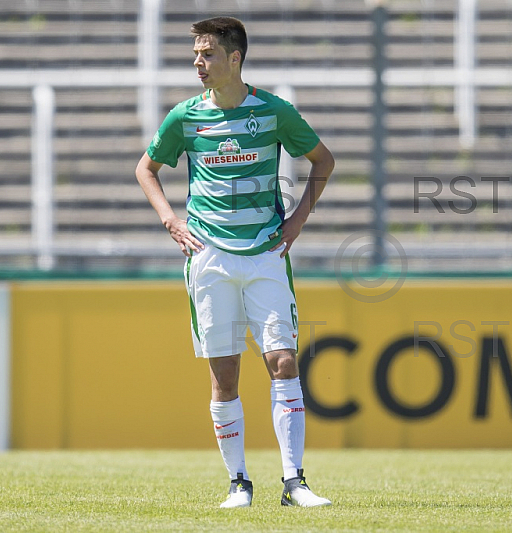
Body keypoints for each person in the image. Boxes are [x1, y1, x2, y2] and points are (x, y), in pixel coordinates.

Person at [135, 16, 334, 508]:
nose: (197, 63)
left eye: (207, 54)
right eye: (196, 54)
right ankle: (238, 483)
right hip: (210, 259)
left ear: (235, 59)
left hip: (266, 254)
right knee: (224, 375)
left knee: (283, 362)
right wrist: (171, 221)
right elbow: (147, 168)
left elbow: (323, 161)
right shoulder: (184, 117)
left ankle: (295, 483)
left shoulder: (273, 111)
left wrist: (298, 220)